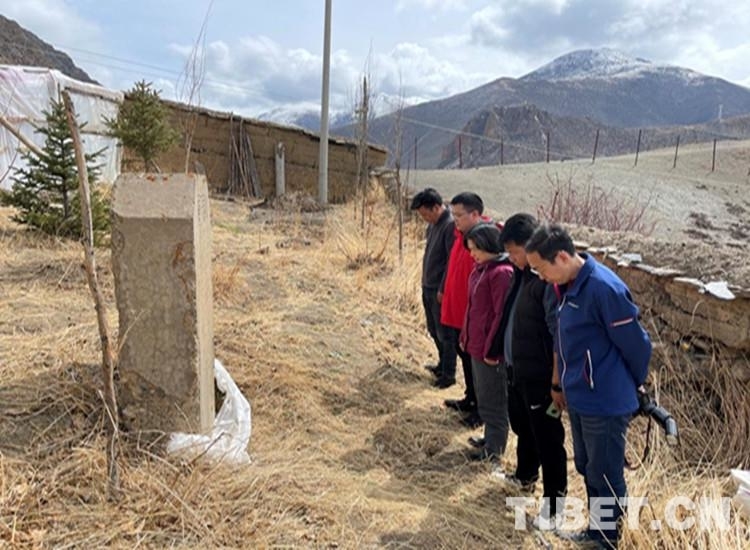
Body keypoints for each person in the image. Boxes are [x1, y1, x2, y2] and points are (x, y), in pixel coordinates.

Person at [525, 222, 652, 548]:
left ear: (562, 257)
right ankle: (597, 532)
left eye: (541, 269)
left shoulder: (604, 289)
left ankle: (609, 539)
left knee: (605, 474)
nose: (541, 277)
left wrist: (631, 384)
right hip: (580, 396)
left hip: (605, 400)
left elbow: (637, 346)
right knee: (587, 466)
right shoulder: (565, 287)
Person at [492, 213, 567, 527]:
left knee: (548, 439)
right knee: (524, 428)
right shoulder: (521, 276)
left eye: (514, 251)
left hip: (540, 377)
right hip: (518, 371)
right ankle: (525, 476)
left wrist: (555, 381)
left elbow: (557, 334)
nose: (511, 257)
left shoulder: (546, 283)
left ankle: (555, 508)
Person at [459, 223, 514, 463]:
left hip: (489, 351)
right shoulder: (481, 269)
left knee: (494, 401)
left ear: (489, 245)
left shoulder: (501, 273)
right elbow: (473, 308)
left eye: (475, 249)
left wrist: (492, 349)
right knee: (484, 396)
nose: (472, 254)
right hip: (476, 345)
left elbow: (500, 316)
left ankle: (494, 449)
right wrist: (465, 336)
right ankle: (489, 438)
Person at [441, 192, 490, 428]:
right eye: (453, 214)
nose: (455, 220)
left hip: (471, 317)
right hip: (456, 310)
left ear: (475, 214)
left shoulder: (484, 242)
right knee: (465, 361)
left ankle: (481, 409)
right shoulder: (460, 236)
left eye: (459, 215)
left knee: (476, 366)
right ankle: (470, 398)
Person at [409, 188, 456, 388]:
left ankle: (449, 374)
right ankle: (441, 364)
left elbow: (451, 262)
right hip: (428, 285)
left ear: (436, 207)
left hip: (439, 289)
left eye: (425, 214)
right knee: (433, 329)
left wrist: (443, 289)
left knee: (445, 333)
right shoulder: (433, 225)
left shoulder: (449, 226)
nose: (424, 219)